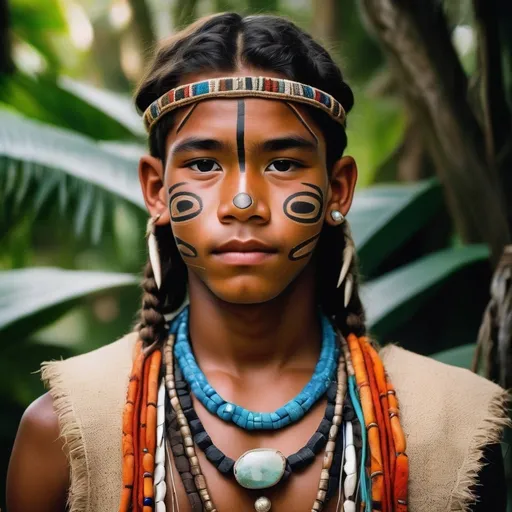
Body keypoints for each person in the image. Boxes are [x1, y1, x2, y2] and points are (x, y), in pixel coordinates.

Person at [6, 12, 509, 512]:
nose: (243, 203)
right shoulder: (66, 431)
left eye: (283, 163)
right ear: (156, 190)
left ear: (338, 188)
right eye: (204, 164)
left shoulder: (452, 429)